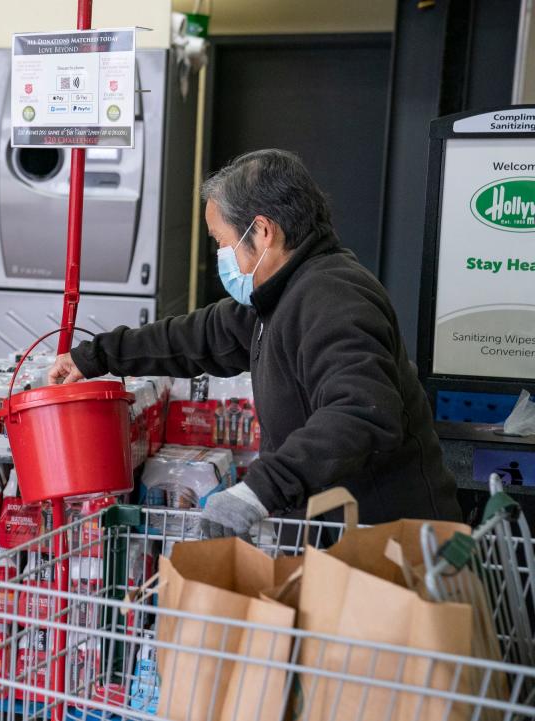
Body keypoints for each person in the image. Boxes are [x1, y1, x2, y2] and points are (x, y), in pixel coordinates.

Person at [50, 149, 461, 531]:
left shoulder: (332, 296)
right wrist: (95, 356)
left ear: (262, 231)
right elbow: (201, 337)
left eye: (221, 242)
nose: (220, 257)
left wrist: (259, 490)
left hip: (388, 546)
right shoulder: (280, 294)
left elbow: (361, 411)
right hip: (335, 532)